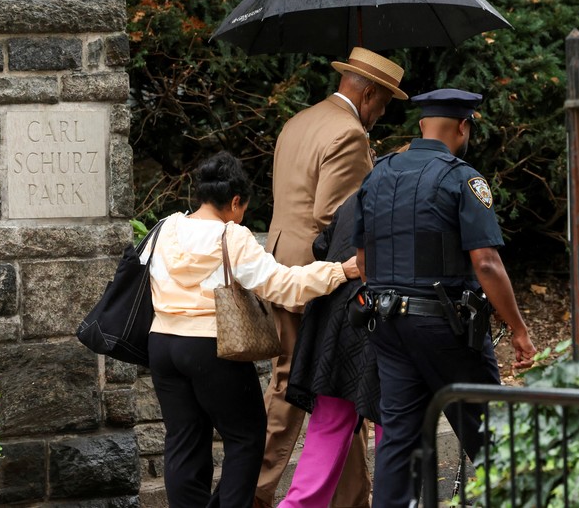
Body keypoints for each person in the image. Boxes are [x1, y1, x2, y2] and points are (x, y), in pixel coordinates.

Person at [351, 89, 538, 507]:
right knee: (484, 424)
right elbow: (486, 262)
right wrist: (519, 329)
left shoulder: (377, 174)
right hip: (444, 326)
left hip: (386, 323)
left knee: (398, 435)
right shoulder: (462, 178)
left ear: (421, 125)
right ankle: (512, 499)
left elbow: (363, 259)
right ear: (463, 126)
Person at [145, 151, 360, 508]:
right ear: (234, 201)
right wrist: (339, 271)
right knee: (245, 436)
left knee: (183, 440)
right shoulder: (231, 236)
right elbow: (282, 284)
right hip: (210, 347)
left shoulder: (165, 227)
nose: (242, 214)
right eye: (242, 207)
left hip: (162, 344)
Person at [257, 47, 407, 508]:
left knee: (339, 388)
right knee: (300, 386)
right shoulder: (349, 133)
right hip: (322, 276)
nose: (380, 114)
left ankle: (351, 500)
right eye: (383, 104)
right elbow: (336, 215)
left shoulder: (300, 119)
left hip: (280, 260)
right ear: (369, 93)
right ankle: (253, 491)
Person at [279, 193, 383, 508]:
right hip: (384, 320)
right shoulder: (416, 194)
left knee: (327, 432)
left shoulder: (356, 198)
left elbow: (320, 245)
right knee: (395, 426)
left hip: (335, 320)